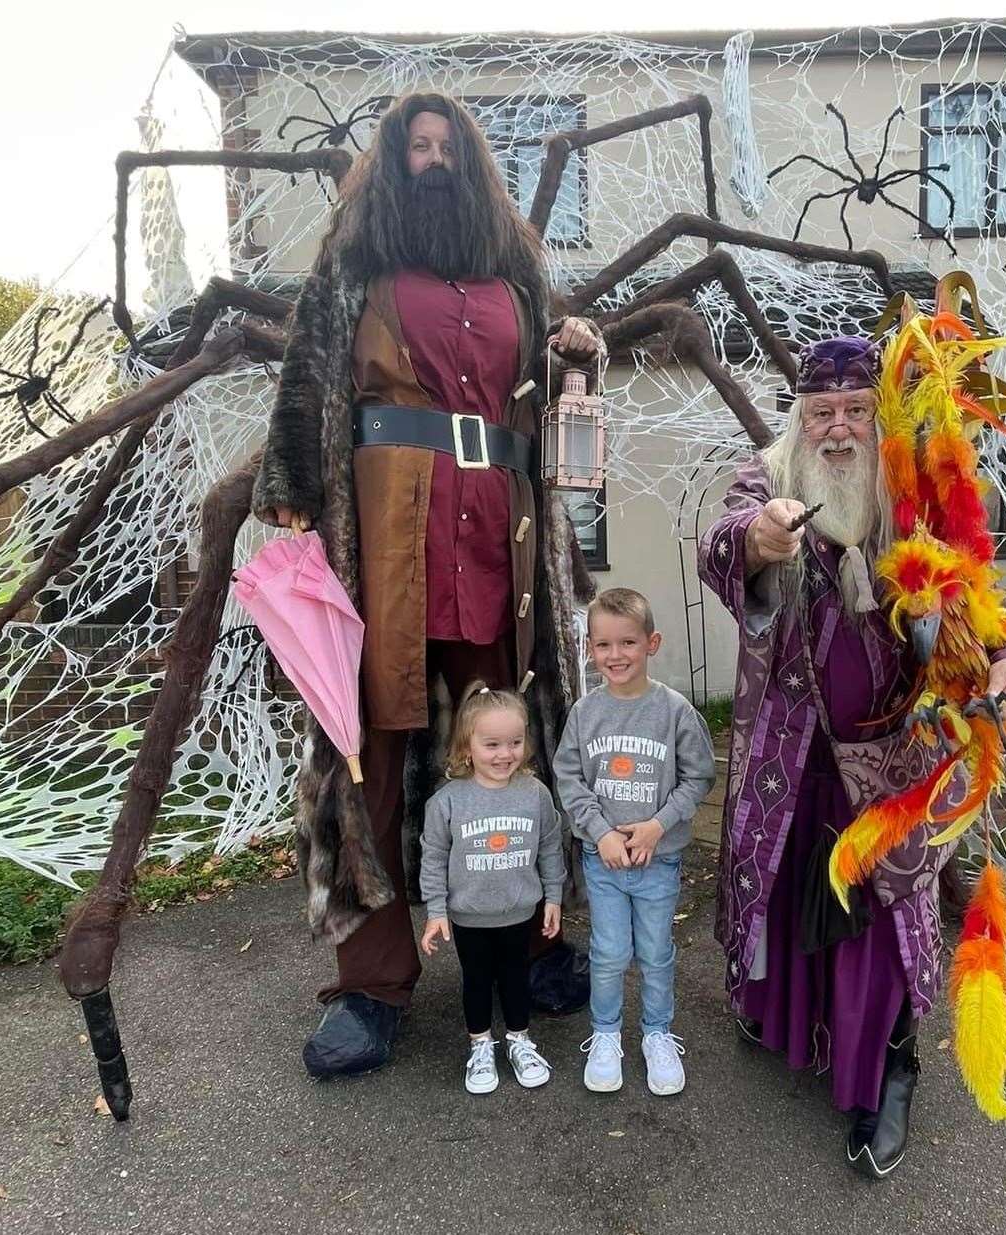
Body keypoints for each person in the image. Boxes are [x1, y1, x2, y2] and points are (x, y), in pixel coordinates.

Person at [250, 91, 601, 1079]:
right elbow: (310, 377)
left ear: (473, 163)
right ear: (393, 166)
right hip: (384, 528)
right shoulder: (355, 263)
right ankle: (371, 983)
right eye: (417, 148)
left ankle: (526, 944)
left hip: (498, 529)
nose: (433, 159)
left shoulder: (516, 271)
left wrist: (578, 359)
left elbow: (547, 396)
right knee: (368, 754)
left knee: (506, 739)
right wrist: (292, 491)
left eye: (449, 146)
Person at [697, 337, 1006, 1177]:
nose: (838, 429)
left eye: (854, 412)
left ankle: (890, 1068)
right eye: (821, 414)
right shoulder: (767, 477)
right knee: (777, 890)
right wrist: (760, 538)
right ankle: (782, 1020)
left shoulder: (914, 494)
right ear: (799, 420)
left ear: (876, 418)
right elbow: (722, 542)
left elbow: (989, 596)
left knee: (881, 915)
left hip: (890, 762)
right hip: (788, 751)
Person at [552, 588, 716, 1096]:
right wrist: (600, 833)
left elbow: (699, 778)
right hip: (604, 860)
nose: (615, 655)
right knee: (607, 952)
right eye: (603, 645)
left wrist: (657, 825)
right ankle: (604, 1036)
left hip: (657, 860)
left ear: (652, 643)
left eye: (627, 642)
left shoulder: (675, 712)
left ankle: (657, 1033)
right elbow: (569, 778)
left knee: (655, 950)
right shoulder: (584, 714)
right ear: (589, 650)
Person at [419, 683, 564, 1094]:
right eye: (492, 744)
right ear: (467, 748)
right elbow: (433, 859)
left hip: (519, 912)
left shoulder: (535, 795)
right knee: (477, 979)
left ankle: (519, 1039)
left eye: (515, 742)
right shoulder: (447, 803)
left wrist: (553, 896)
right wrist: (435, 911)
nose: (505, 754)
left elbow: (551, 847)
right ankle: (480, 1045)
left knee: (517, 977)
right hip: (469, 916)